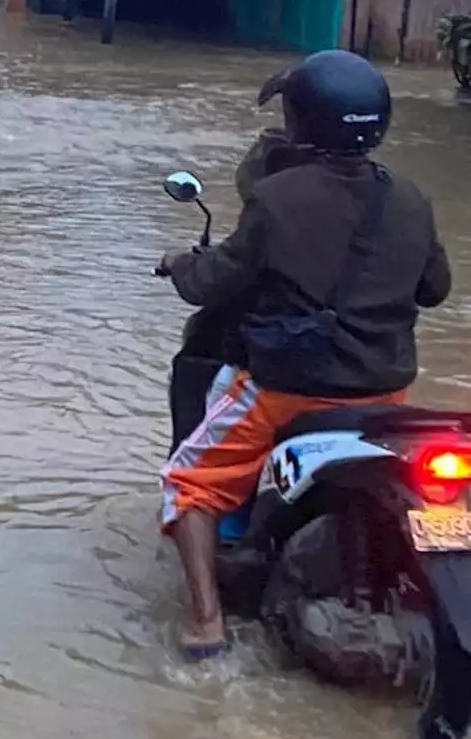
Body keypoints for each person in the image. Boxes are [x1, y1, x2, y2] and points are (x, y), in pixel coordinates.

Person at [158, 50, 452, 660]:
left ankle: (207, 624)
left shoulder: (275, 197)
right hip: (383, 394)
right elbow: (435, 289)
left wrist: (179, 263)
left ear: (301, 120)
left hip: (283, 391)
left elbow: (218, 280)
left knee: (188, 485)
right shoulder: (411, 198)